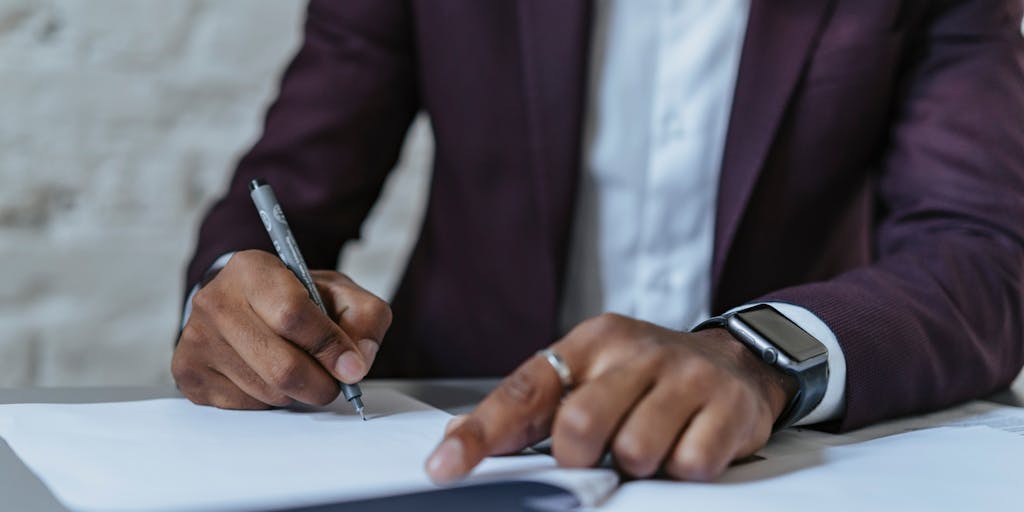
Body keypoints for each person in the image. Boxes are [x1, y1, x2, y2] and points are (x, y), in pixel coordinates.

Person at [174, 0, 1024, 484]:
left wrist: (762, 356)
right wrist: (240, 296)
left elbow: (984, 249)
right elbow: (289, 187)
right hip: (453, 461)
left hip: (775, 466)